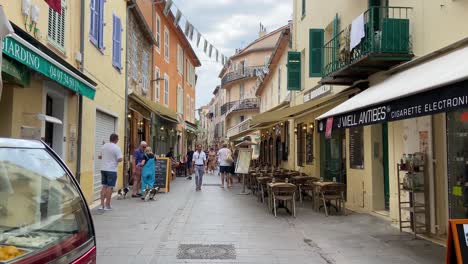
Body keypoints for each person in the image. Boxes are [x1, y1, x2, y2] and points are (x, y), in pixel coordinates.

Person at [99, 133, 123, 210]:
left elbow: (100, 156)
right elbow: (120, 159)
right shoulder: (117, 148)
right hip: (111, 170)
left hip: (103, 169)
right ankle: (107, 205)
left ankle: (101, 205)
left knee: (104, 186)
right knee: (110, 187)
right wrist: (114, 160)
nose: (118, 140)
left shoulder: (104, 146)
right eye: (118, 139)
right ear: (115, 139)